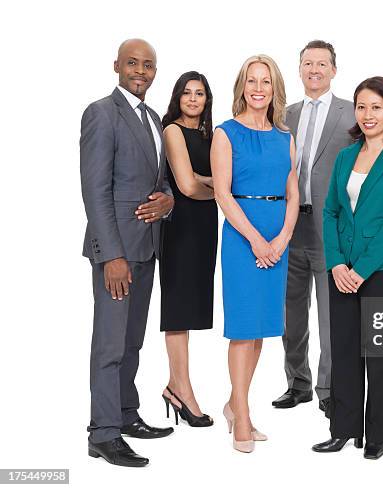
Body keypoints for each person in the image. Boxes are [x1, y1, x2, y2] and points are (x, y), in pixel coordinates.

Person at [313, 77, 383, 460]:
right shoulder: (345, 156)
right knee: (343, 351)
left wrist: (362, 269)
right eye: (361, 106)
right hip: (341, 269)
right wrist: (338, 263)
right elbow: (329, 212)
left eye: (376, 107)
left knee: (379, 354)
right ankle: (343, 428)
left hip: (382, 270)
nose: (368, 114)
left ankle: (376, 434)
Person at [81, 39, 174, 468]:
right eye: (133, 63)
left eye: (148, 65)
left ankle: (125, 412)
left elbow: (162, 182)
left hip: (147, 247)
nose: (141, 71)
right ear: (117, 65)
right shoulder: (102, 113)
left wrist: (168, 202)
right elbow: (95, 191)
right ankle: (102, 433)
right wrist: (111, 255)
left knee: (132, 341)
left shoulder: (153, 118)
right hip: (117, 254)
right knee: (110, 343)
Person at [211, 55, 299, 453]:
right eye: (251, 81)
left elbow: (293, 192)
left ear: (275, 87)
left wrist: (281, 238)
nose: (258, 88)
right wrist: (255, 240)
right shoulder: (225, 133)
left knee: (262, 328)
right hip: (242, 239)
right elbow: (222, 193)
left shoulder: (285, 136)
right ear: (242, 87)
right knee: (243, 328)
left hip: (277, 236)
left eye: (265, 81)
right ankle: (242, 416)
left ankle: (235, 403)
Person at [274, 40, 355, 414]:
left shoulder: (353, 113)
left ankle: (329, 388)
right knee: (291, 313)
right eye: (307, 63)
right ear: (300, 68)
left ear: (334, 70)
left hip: (331, 228)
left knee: (330, 313)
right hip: (289, 227)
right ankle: (298, 383)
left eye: (322, 64)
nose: (314, 70)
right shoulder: (282, 114)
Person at [159, 71, 216, 428]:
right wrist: (221, 190)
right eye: (187, 93)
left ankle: (173, 385)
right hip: (180, 227)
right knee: (179, 309)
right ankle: (181, 389)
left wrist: (209, 183)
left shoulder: (211, 134)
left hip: (206, 226)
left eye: (200, 93)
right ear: (177, 97)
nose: (193, 99)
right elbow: (187, 186)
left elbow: (207, 180)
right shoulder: (173, 131)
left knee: (193, 306)